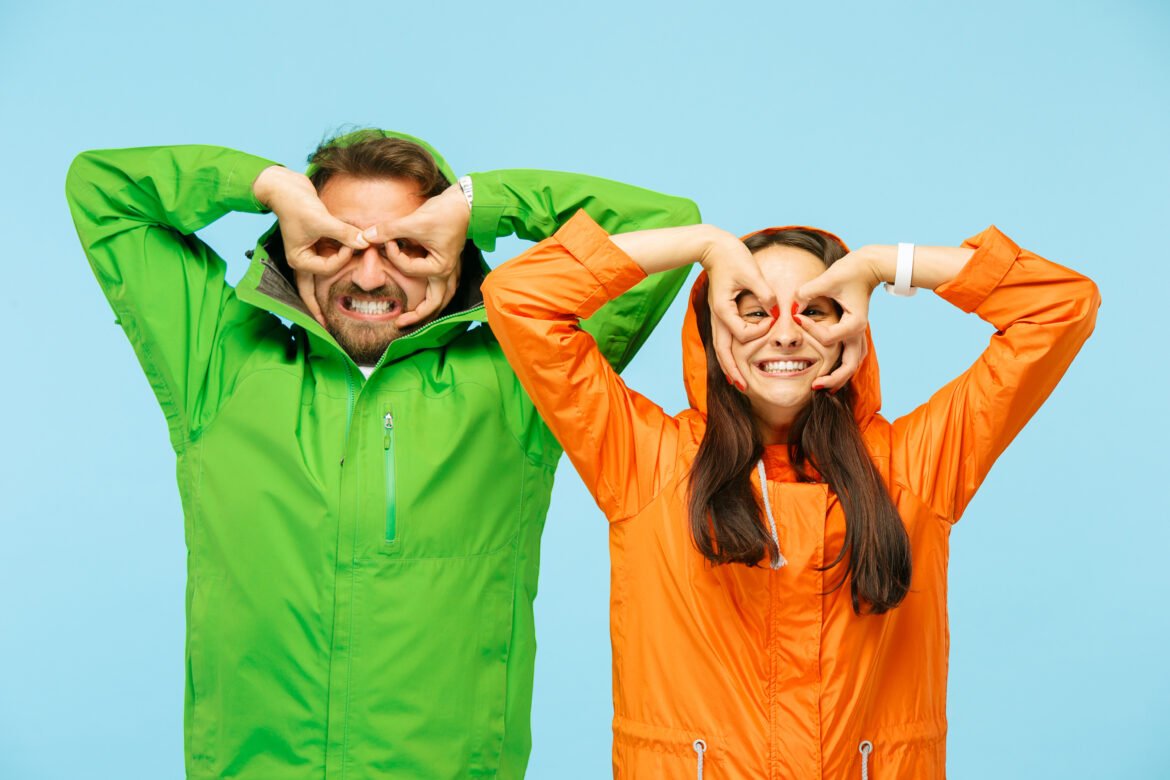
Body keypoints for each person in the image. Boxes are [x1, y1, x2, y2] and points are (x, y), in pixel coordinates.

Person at [66, 129, 699, 779]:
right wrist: (272, 187)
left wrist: (474, 203)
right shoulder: (216, 365)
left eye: (409, 246)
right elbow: (105, 191)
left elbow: (662, 228)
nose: (369, 275)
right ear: (294, 243)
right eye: (334, 241)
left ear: (454, 252)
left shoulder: (520, 378)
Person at [482, 211, 1099, 778]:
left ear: (850, 325)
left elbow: (1060, 306)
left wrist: (887, 265)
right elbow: (520, 298)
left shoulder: (915, 468)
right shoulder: (645, 462)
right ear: (713, 331)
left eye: (815, 309)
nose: (784, 335)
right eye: (754, 311)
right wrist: (701, 245)